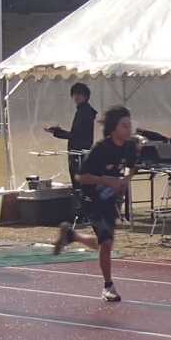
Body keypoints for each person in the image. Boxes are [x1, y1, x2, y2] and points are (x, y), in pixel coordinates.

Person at [53, 105, 136, 302]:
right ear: (113, 128)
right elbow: (80, 176)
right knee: (105, 241)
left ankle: (71, 235)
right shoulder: (100, 148)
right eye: (124, 125)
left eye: (129, 125)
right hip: (91, 198)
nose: (128, 129)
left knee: (105, 245)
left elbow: (131, 168)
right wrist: (108, 181)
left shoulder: (130, 146)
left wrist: (124, 180)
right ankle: (108, 286)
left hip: (109, 199)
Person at [45, 82, 97, 219]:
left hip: (80, 153)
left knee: (80, 183)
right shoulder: (82, 110)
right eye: (74, 94)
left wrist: (57, 132)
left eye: (80, 94)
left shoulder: (85, 112)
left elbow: (76, 135)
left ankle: (84, 213)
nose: (76, 97)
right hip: (78, 151)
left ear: (86, 96)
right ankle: (83, 212)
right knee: (79, 183)